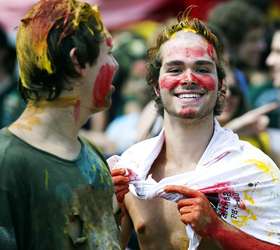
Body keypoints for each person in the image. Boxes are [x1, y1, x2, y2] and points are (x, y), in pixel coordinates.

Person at [109, 13, 280, 250]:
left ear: (221, 85)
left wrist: (219, 230)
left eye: (202, 68)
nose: (189, 79)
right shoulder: (132, 169)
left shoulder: (251, 170)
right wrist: (107, 208)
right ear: (155, 86)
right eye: (175, 69)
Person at [0, 0, 121, 249]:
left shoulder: (93, 157)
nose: (115, 65)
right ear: (77, 61)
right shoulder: (6, 162)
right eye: (108, 53)